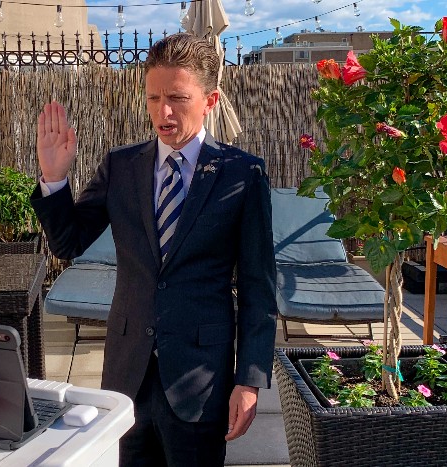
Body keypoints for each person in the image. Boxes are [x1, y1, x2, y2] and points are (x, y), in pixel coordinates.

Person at [31, 33, 277, 466]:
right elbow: (69, 243)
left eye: (178, 98)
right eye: (154, 97)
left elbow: (259, 287)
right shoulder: (121, 166)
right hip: (127, 373)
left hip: (201, 376)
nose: (163, 112)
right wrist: (54, 181)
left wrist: (250, 380)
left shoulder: (242, 175)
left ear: (210, 100)